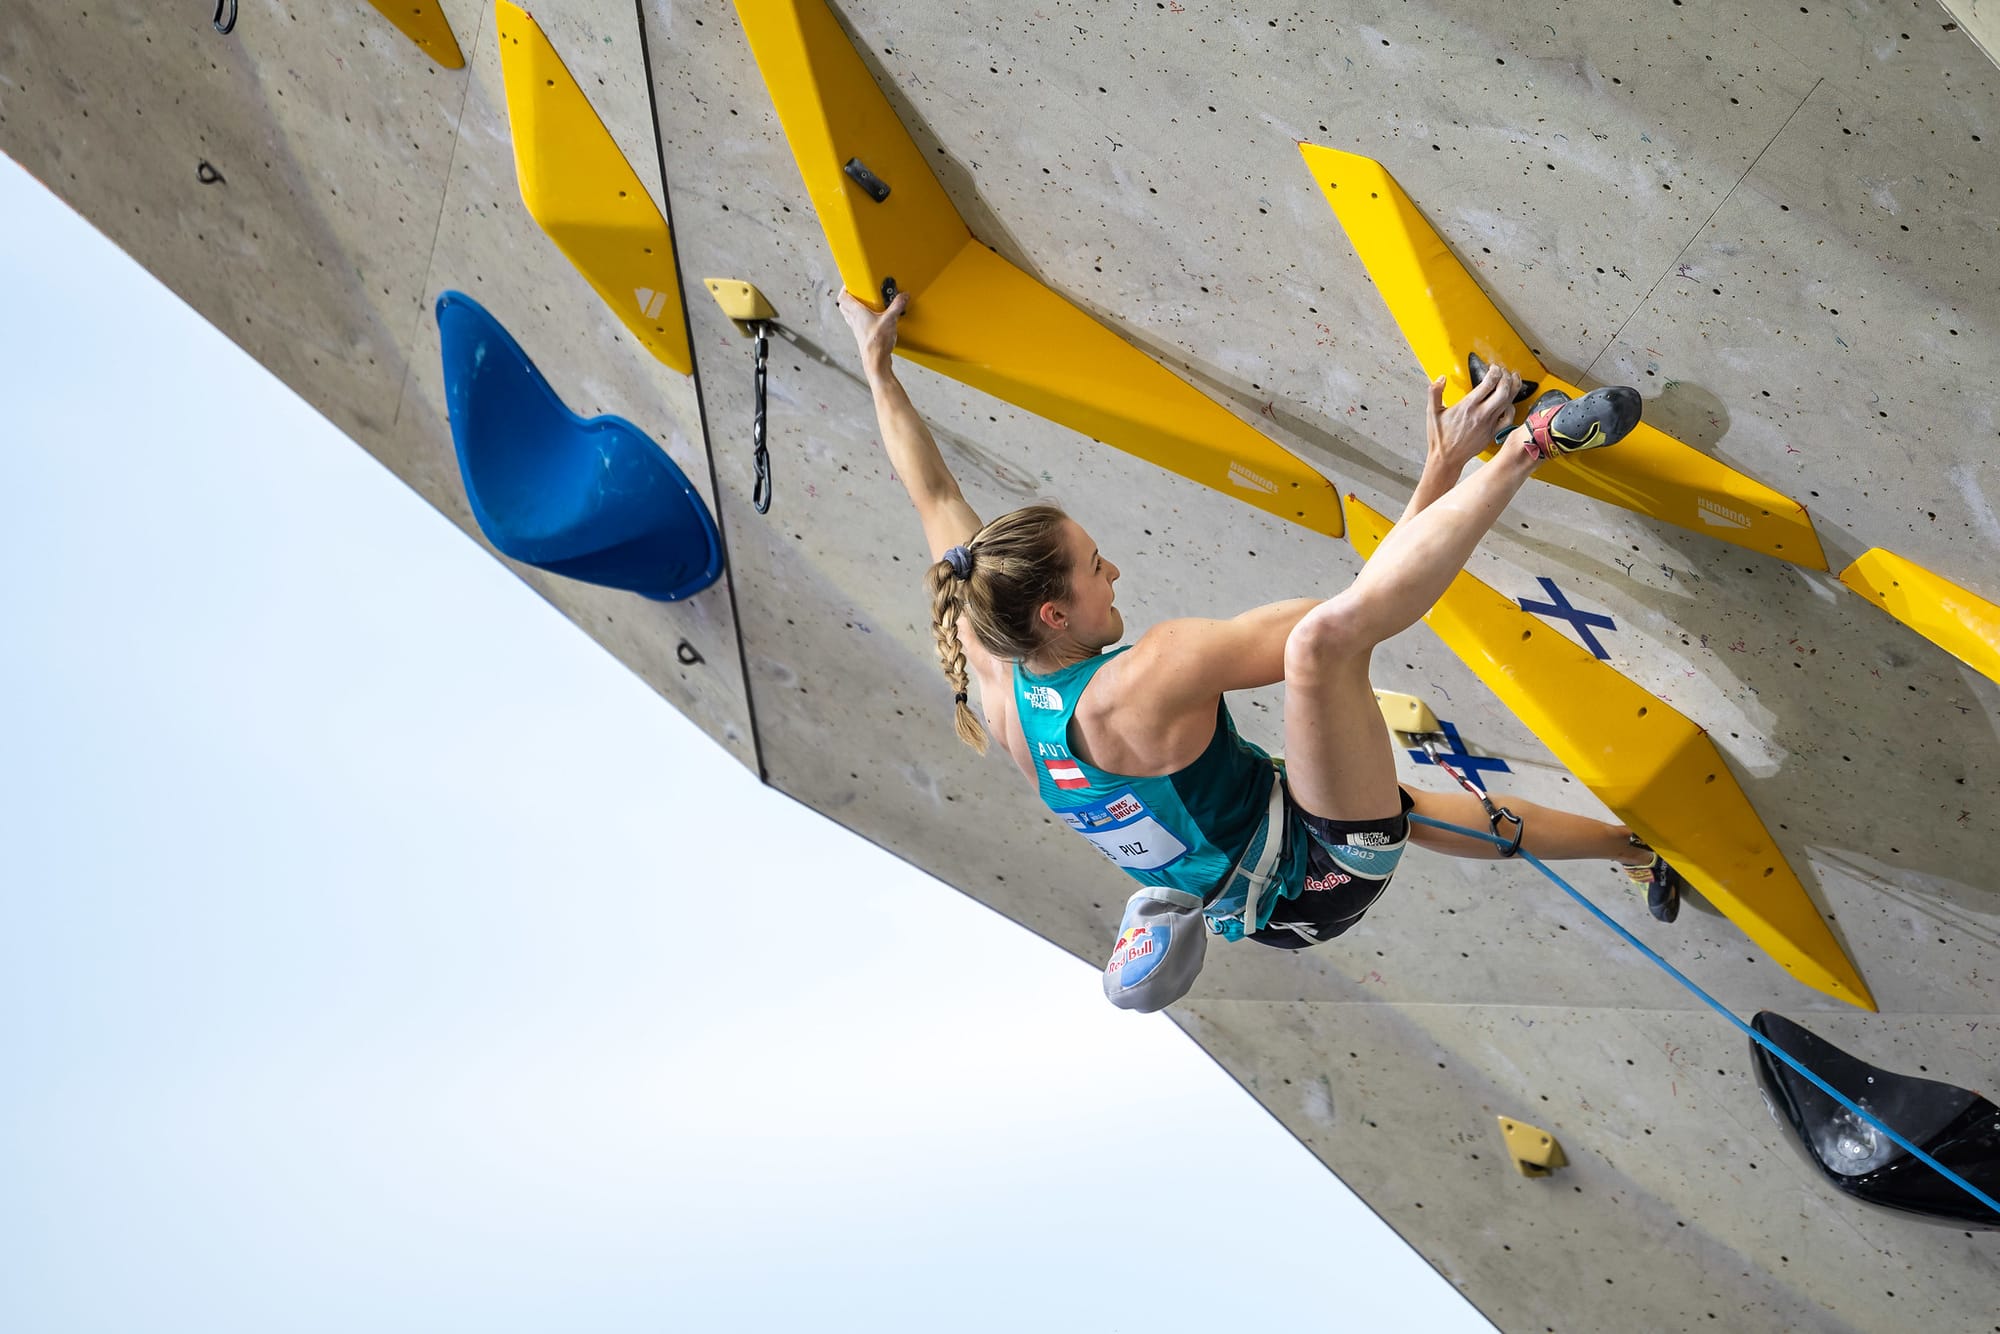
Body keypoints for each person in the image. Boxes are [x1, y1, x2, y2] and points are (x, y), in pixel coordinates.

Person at [838, 290, 1688, 1011]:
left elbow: (937, 496)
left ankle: (1637, 850)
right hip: (1318, 875)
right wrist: (1450, 466)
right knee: (1322, 648)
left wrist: (878, 371)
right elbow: (1357, 617)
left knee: (1410, 804)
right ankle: (1536, 444)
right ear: (1055, 615)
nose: (1116, 572)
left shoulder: (995, 655)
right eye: (1097, 569)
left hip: (1268, 861)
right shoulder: (1141, 679)